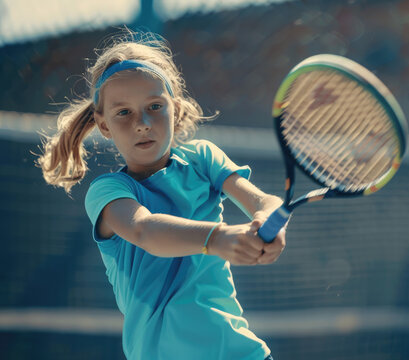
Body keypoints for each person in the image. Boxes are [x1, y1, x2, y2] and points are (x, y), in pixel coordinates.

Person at [37, 30, 285, 360]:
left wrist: (270, 220)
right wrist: (217, 238)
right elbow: (145, 230)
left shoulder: (203, 159)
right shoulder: (108, 192)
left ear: (176, 110)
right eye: (123, 112)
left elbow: (263, 201)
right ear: (104, 124)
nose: (142, 123)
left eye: (155, 106)